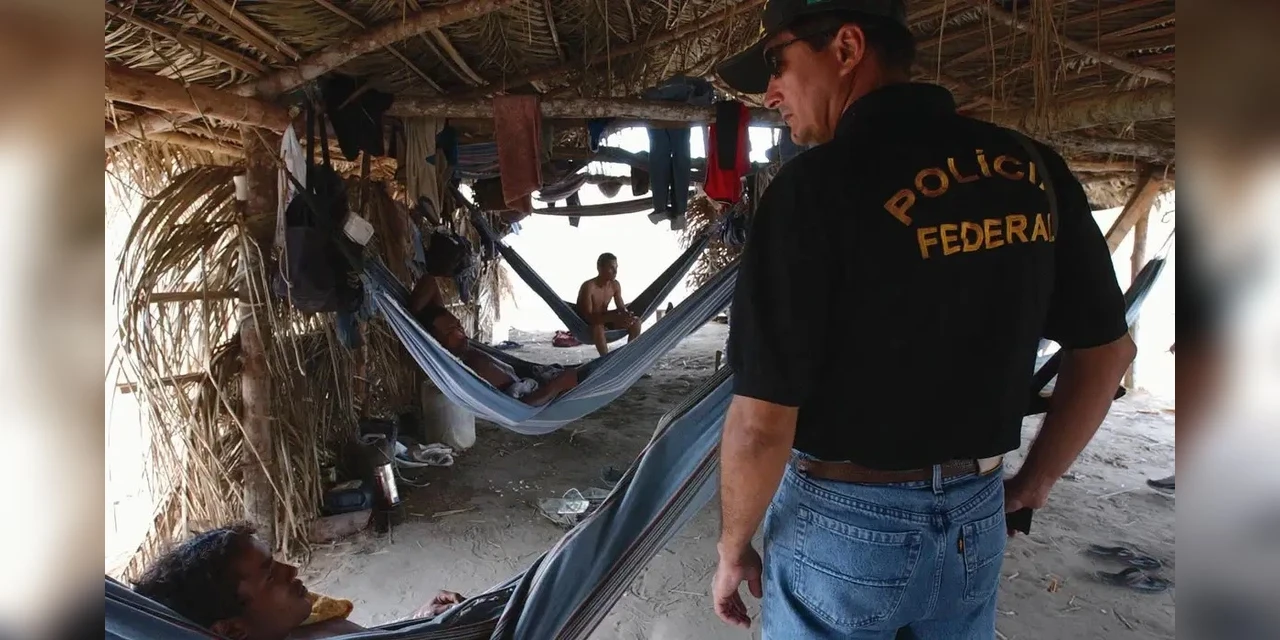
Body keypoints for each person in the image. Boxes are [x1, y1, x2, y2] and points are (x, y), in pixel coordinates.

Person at [710, 1, 1136, 637]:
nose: (771, 90)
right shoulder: (1033, 168)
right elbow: (1107, 354)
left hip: (843, 526)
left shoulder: (812, 190)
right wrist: (1033, 484)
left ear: (847, 49)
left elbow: (761, 425)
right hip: (977, 516)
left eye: (779, 63)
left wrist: (732, 547)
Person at [132, 523, 463, 640]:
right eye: (270, 574)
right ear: (232, 630)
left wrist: (414, 624)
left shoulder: (298, 623)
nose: (291, 570)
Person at [408, 275, 579, 406]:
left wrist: (414, 322)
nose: (462, 331)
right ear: (436, 341)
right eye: (453, 331)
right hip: (539, 395)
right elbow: (520, 407)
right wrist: (557, 385)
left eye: (459, 325)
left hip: (532, 379)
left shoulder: (463, 348)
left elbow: (429, 281)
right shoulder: (469, 367)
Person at [576, 252, 642, 356]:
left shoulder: (615, 285)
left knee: (636, 321)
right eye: (611, 268)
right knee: (598, 327)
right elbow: (588, 317)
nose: (615, 271)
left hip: (606, 320)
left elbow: (621, 308)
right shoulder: (589, 287)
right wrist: (613, 318)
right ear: (600, 268)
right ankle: (606, 360)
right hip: (588, 325)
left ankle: (629, 354)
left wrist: (626, 316)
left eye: (616, 267)